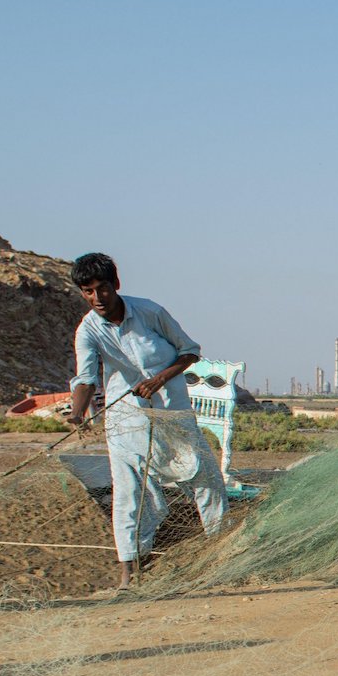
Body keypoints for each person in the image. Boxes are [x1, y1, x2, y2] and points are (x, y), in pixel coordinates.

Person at [64, 252, 226, 589]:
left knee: (204, 478)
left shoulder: (150, 312)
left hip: (173, 414)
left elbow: (190, 350)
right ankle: (129, 574)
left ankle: (221, 550)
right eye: (87, 291)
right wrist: (78, 412)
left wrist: (160, 379)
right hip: (128, 420)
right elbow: (85, 378)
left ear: (116, 285)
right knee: (130, 493)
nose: (97, 298)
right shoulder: (88, 331)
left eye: (103, 289)